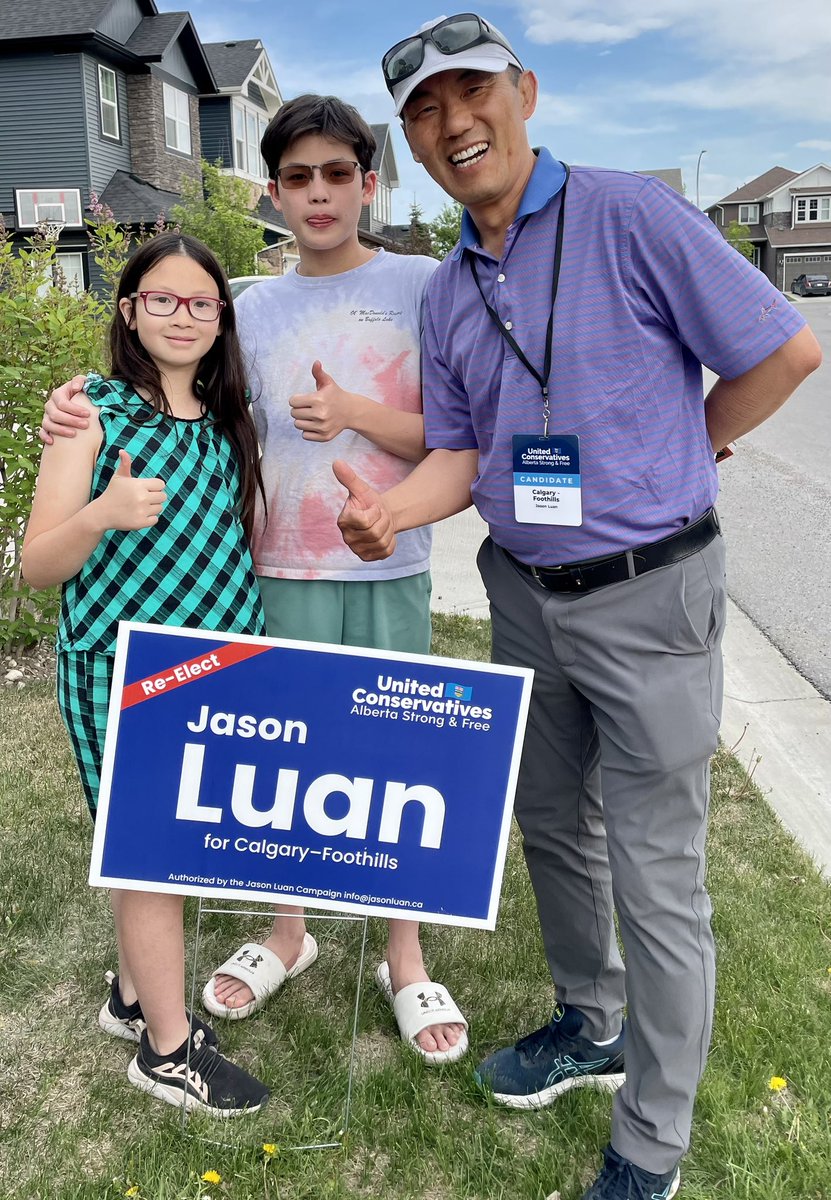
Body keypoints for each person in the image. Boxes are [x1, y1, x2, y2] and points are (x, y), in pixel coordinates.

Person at [331, 13, 823, 1199]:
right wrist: (396, 511)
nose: (456, 125)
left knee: (659, 873)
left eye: (473, 94)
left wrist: (686, 451)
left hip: (652, 595)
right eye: (426, 111)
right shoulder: (450, 290)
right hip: (524, 593)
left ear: (527, 93)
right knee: (552, 825)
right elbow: (461, 451)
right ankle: (591, 1023)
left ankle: (651, 1145)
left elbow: (787, 349)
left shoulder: (633, 216)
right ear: (410, 137)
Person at [40, 95, 468, 1065]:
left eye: (336, 174)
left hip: (386, 560)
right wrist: (76, 402)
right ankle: (290, 930)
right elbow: (169, 377)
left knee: (393, 759)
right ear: (273, 191)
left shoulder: (426, 285)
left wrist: (357, 412)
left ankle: (403, 953)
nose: (318, 194)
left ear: (369, 181)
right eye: (297, 177)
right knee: (283, 764)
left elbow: (458, 438)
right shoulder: (246, 301)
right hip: (263, 572)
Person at [23, 232, 270, 1117]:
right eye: (161, 298)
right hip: (122, 670)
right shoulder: (90, 411)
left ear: (220, 320)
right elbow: (37, 565)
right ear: (128, 309)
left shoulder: (227, 414)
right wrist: (102, 511)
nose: (182, 315)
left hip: (215, 666)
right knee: (150, 860)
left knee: (179, 847)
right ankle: (168, 1052)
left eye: (201, 302)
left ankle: (133, 996)